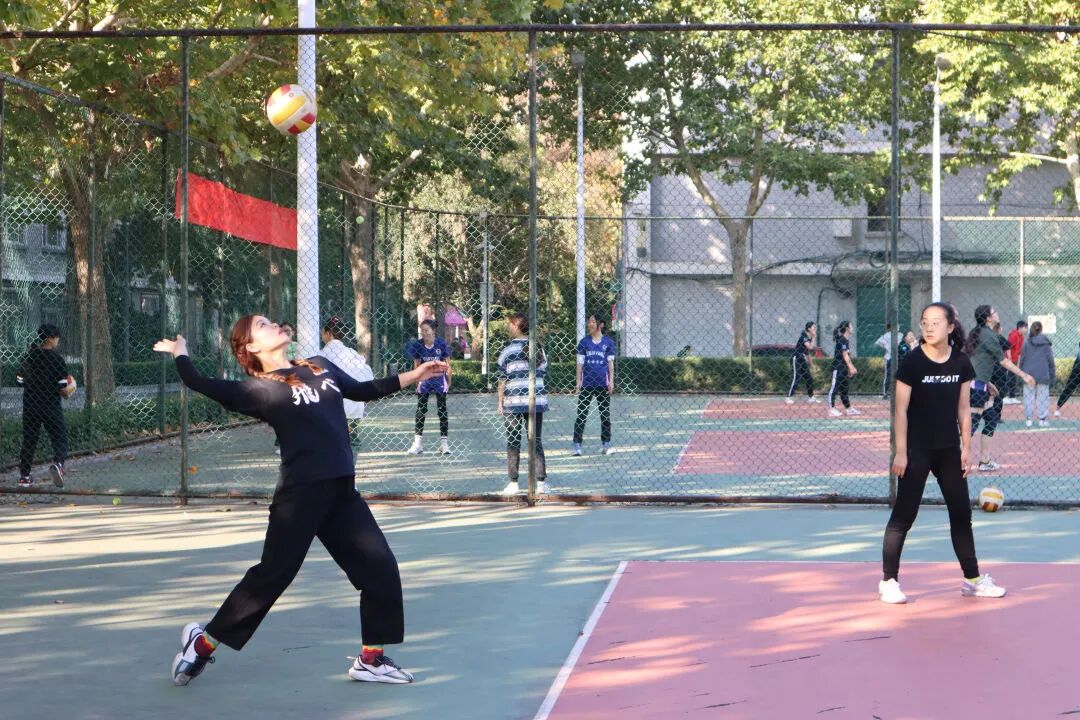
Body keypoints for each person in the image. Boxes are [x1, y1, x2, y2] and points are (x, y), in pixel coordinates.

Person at [154, 316, 446, 687]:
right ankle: (203, 642)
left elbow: (363, 390)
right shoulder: (258, 389)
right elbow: (198, 382)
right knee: (272, 577)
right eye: (263, 325)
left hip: (341, 491)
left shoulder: (319, 365)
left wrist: (415, 374)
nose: (274, 324)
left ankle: (371, 660)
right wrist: (181, 352)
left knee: (381, 568)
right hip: (300, 496)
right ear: (251, 347)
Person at [880, 302, 1006, 605]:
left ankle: (972, 580)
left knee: (961, 514)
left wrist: (966, 448)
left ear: (950, 327)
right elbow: (900, 410)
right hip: (917, 450)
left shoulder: (961, 362)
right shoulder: (912, 362)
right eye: (925, 322)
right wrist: (901, 452)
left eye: (936, 322)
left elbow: (964, 409)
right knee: (904, 516)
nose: (929, 327)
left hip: (949, 450)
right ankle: (889, 582)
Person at [964, 305, 1035, 472]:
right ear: (989, 318)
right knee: (971, 426)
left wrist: (987, 382)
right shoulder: (988, 335)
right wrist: (1024, 376)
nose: (997, 313)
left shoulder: (980, 333)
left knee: (991, 418)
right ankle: (956, 461)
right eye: (994, 311)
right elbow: (1004, 361)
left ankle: (984, 461)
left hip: (979, 384)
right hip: (974, 387)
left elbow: (976, 361)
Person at [497, 312, 547, 496]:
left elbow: (502, 378)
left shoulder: (507, 350)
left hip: (513, 401)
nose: (508, 327)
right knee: (535, 441)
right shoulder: (538, 348)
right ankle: (541, 483)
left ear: (516, 326)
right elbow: (543, 371)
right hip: (535, 401)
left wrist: (500, 401)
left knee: (513, 441)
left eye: (510, 324)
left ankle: (513, 482)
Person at [16, 324, 70, 488]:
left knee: (29, 440)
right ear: (52, 338)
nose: (58, 341)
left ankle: (25, 477)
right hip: (51, 406)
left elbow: (19, 381)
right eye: (57, 338)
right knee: (59, 437)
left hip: (31, 405)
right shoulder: (57, 359)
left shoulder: (29, 356)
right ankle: (58, 465)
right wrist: (69, 390)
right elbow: (63, 388)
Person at [320, 317, 375, 448]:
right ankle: (352, 437)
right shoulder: (352, 353)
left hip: (330, 407)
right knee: (351, 443)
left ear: (328, 334)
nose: (322, 336)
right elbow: (368, 375)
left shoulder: (321, 355)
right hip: (354, 405)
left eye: (323, 332)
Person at [405, 320, 452, 455]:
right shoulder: (418, 345)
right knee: (421, 410)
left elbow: (448, 364)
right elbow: (416, 365)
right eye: (422, 330)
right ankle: (418, 444)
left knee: (442, 410)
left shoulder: (441, 344)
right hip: (424, 380)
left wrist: (448, 381)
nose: (424, 333)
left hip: (439, 379)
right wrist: (417, 380)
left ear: (433, 331)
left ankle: (444, 445)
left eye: (426, 330)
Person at [573, 313, 617, 456]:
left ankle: (606, 444)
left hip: (603, 385)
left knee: (605, 415)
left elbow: (610, 365)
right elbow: (580, 363)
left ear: (600, 324)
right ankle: (577, 446)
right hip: (586, 384)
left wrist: (611, 381)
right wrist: (578, 381)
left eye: (593, 321)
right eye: (589, 321)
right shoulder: (584, 342)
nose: (590, 324)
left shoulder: (608, 342)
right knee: (581, 415)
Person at [1018, 321, 1055, 427]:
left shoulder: (1026, 342)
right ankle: (1042, 419)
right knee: (1043, 398)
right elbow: (1051, 361)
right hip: (1043, 373)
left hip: (1028, 374)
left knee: (1028, 397)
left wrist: (1021, 373)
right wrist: (1052, 375)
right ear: (1041, 329)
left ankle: (1029, 419)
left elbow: (1022, 359)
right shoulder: (1046, 344)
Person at [827, 321, 860, 417]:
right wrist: (852, 368)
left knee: (844, 390)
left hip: (844, 369)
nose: (853, 328)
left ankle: (849, 409)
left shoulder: (845, 340)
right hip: (837, 368)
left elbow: (847, 356)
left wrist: (849, 368)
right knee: (834, 388)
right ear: (847, 328)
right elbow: (845, 356)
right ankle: (831, 409)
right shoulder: (842, 340)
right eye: (851, 326)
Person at [786, 321, 819, 405]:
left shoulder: (809, 338)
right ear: (809, 329)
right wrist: (814, 337)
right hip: (796, 358)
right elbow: (810, 347)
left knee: (809, 377)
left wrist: (811, 364)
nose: (815, 329)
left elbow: (807, 352)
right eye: (813, 328)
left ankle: (811, 397)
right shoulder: (803, 337)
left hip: (802, 359)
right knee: (797, 378)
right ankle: (788, 397)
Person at [1055, 340, 1080, 417]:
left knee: (1069, 387)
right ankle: (1057, 408)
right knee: (1069, 387)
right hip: (1078, 365)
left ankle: (1057, 408)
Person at [1005, 320, 1028, 402]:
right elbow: (1008, 348)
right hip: (1008, 359)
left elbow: (1019, 352)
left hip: (1014, 360)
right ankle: (1008, 397)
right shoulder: (1013, 335)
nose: (1026, 329)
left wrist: (1018, 363)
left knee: (1013, 378)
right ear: (1020, 328)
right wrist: (1009, 360)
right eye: (1025, 328)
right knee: (1010, 377)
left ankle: (1012, 397)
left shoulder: (1021, 337)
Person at [874, 323, 896, 399]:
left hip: (898, 358)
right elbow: (878, 342)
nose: (898, 327)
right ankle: (885, 393)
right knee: (888, 375)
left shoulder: (900, 335)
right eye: (896, 325)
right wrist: (886, 346)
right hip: (889, 357)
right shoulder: (886, 335)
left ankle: (897, 393)